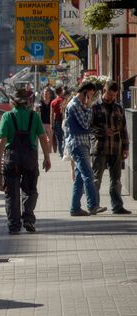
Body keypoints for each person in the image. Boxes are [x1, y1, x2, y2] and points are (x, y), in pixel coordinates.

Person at [0, 89, 51, 235]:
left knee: (12, 193)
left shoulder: (7, 116)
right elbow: (43, 138)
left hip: (12, 158)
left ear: (13, 102)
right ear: (28, 102)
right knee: (30, 190)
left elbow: (2, 141)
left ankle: (14, 225)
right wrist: (47, 157)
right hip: (30, 158)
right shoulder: (34, 116)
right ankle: (28, 219)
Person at [64, 81, 106, 216]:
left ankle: (75, 208)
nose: (92, 98)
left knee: (80, 178)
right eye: (91, 94)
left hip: (82, 143)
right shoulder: (75, 105)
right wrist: (88, 106)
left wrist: (87, 106)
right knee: (88, 175)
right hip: (78, 144)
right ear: (85, 92)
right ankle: (92, 205)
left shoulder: (79, 105)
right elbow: (85, 123)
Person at [90, 81, 131, 214]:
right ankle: (94, 205)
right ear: (104, 90)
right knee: (96, 178)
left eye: (114, 95)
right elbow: (88, 128)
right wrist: (103, 131)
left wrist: (125, 148)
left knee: (116, 179)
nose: (111, 97)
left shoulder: (118, 108)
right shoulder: (94, 107)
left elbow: (124, 129)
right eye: (109, 94)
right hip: (99, 148)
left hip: (115, 148)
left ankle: (117, 206)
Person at [50, 86, 65, 158]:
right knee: (65, 136)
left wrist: (51, 124)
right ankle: (64, 151)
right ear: (61, 91)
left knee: (58, 138)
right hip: (64, 120)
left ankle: (61, 153)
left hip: (57, 121)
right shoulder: (64, 100)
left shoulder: (53, 102)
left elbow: (51, 114)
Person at [39, 87, 54, 153]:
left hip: (50, 123)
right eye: (45, 93)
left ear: (50, 94)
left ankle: (49, 153)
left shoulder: (52, 102)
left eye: (47, 94)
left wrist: (52, 123)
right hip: (42, 123)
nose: (45, 95)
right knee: (44, 139)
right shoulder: (40, 102)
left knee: (50, 140)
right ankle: (44, 151)